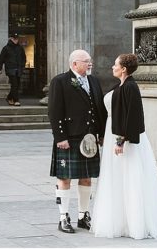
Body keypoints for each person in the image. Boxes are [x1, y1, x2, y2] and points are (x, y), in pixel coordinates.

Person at [91, 54, 157, 240]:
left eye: (115, 64)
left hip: (126, 140)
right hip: (114, 134)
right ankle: (122, 220)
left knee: (131, 178)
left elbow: (133, 116)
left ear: (123, 69)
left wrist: (121, 140)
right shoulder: (121, 85)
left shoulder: (130, 87)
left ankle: (136, 222)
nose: (112, 67)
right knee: (118, 179)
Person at [47, 49, 107, 234]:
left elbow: (99, 109)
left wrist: (102, 133)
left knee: (87, 177)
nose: (90, 64)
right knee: (64, 178)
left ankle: (83, 215)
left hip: (89, 138)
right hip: (70, 137)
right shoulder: (60, 81)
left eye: (90, 61)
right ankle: (63, 216)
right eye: (86, 61)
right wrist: (60, 137)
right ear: (74, 64)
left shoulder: (94, 81)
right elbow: (54, 110)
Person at [0, 33, 26, 106]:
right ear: (11, 39)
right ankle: (16, 100)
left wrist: (22, 66)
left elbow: (23, 57)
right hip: (10, 69)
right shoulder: (6, 48)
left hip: (18, 69)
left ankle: (9, 97)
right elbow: (1, 58)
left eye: (17, 39)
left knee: (17, 85)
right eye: (14, 39)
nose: (16, 40)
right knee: (14, 84)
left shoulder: (20, 48)